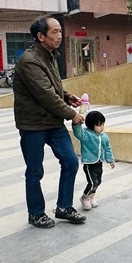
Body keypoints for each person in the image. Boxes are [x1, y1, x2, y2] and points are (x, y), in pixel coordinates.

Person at [13, 15, 87, 228]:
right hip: (33, 125)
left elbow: (52, 87)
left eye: (60, 31)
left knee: (70, 161)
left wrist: (66, 96)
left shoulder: (50, 55)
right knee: (35, 171)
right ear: (41, 36)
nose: (60, 35)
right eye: (55, 31)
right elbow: (44, 93)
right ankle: (36, 213)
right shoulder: (29, 61)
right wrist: (71, 114)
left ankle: (64, 207)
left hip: (53, 122)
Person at [72, 110, 115, 210]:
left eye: (103, 124)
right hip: (89, 164)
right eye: (99, 125)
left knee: (98, 181)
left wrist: (110, 160)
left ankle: (91, 197)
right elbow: (78, 133)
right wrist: (76, 124)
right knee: (92, 182)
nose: (102, 127)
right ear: (92, 125)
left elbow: (108, 148)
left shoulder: (104, 136)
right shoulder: (86, 135)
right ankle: (85, 197)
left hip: (99, 163)